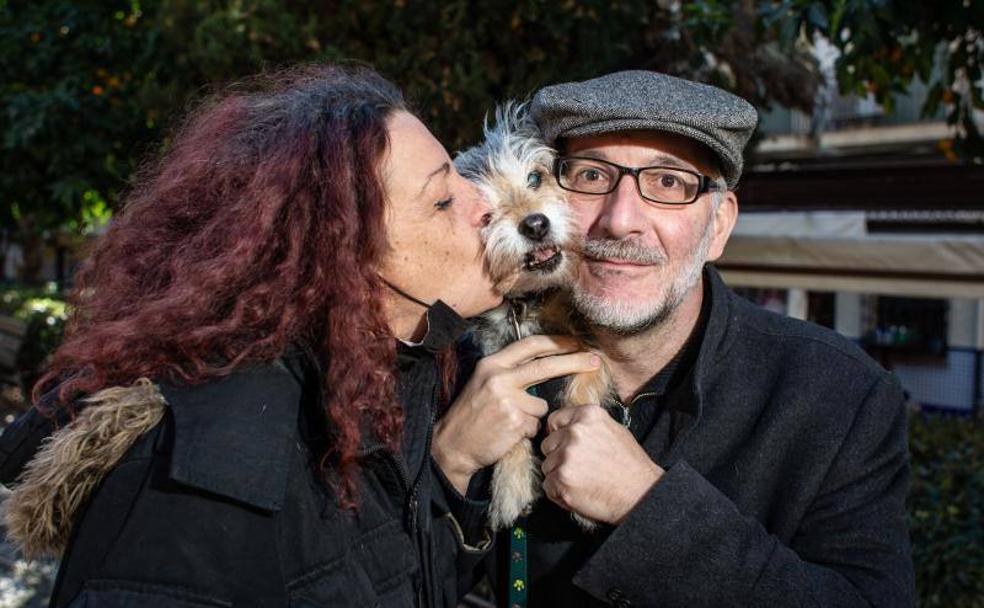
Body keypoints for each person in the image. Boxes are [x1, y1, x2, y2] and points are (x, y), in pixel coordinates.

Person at [0, 64, 598, 607]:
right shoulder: (201, 473)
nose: (486, 207)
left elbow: (396, 582)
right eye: (444, 198)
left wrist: (451, 467)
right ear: (344, 255)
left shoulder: (395, 375)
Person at [469, 70, 915, 607]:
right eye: (590, 175)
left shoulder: (842, 399)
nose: (621, 220)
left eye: (668, 183)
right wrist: (448, 467)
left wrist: (649, 506)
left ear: (720, 226)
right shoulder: (476, 370)